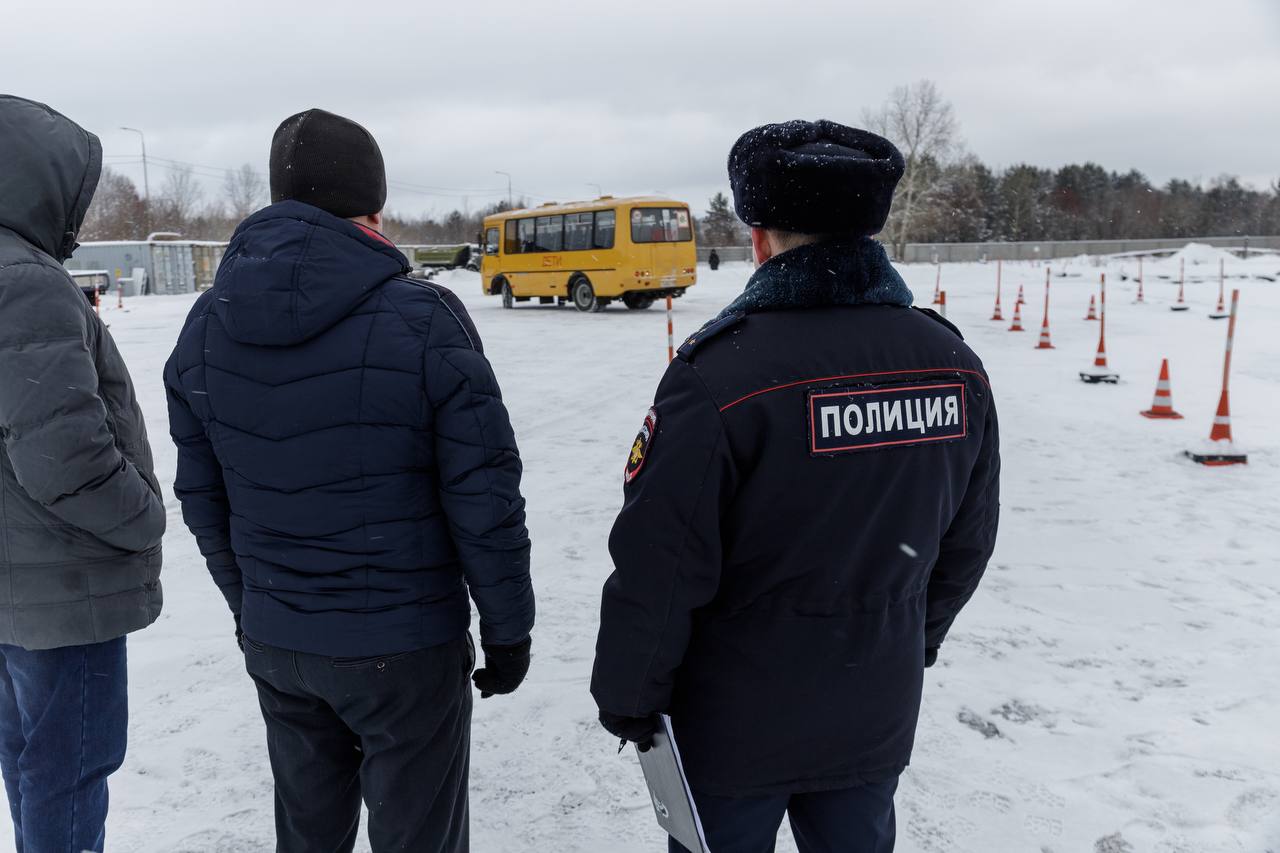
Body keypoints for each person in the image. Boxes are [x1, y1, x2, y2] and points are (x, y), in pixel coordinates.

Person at [591, 119, 1000, 853]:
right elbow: (965, 545)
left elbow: (661, 563)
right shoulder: (951, 363)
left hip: (736, 721)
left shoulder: (718, 373)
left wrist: (630, 695)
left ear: (759, 236)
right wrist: (901, 637)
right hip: (873, 702)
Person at [164, 108, 534, 853]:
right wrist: (508, 628)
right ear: (373, 208)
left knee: (307, 837)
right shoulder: (425, 318)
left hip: (282, 644)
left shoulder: (207, 323)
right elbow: (483, 496)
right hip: (403, 652)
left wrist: (255, 607)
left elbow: (203, 498)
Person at [0, 95, 166, 852]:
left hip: (17, 591)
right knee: (68, 771)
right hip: (65, 592)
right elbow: (64, 455)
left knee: (33, 765)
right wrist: (142, 514)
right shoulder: (24, 281)